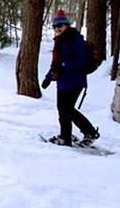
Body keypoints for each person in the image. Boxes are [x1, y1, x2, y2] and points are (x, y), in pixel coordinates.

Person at [41, 9, 100, 147]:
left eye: (60, 25)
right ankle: (68, 135)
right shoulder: (60, 40)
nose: (57, 29)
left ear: (66, 25)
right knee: (64, 109)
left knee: (66, 109)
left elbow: (80, 61)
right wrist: (48, 77)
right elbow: (57, 62)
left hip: (75, 80)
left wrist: (63, 65)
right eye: (55, 26)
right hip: (63, 81)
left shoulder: (75, 39)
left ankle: (83, 133)